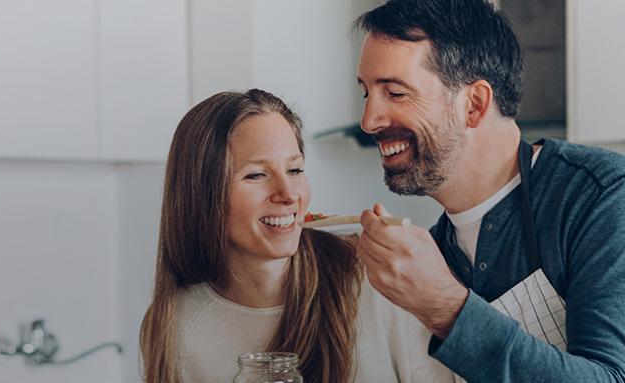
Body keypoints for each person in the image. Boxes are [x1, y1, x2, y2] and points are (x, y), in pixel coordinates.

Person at [353, 0, 625, 381]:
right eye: (367, 93)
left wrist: (445, 305)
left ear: (475, 104)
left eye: (395, 93)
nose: (369, 120)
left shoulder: (601, 195)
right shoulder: (437, 250)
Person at [139, 89, 453, 382]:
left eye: (294, 170)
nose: (288, 194)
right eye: (256, 175)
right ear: (203, 194)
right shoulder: (176, 326)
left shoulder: (379, 281)